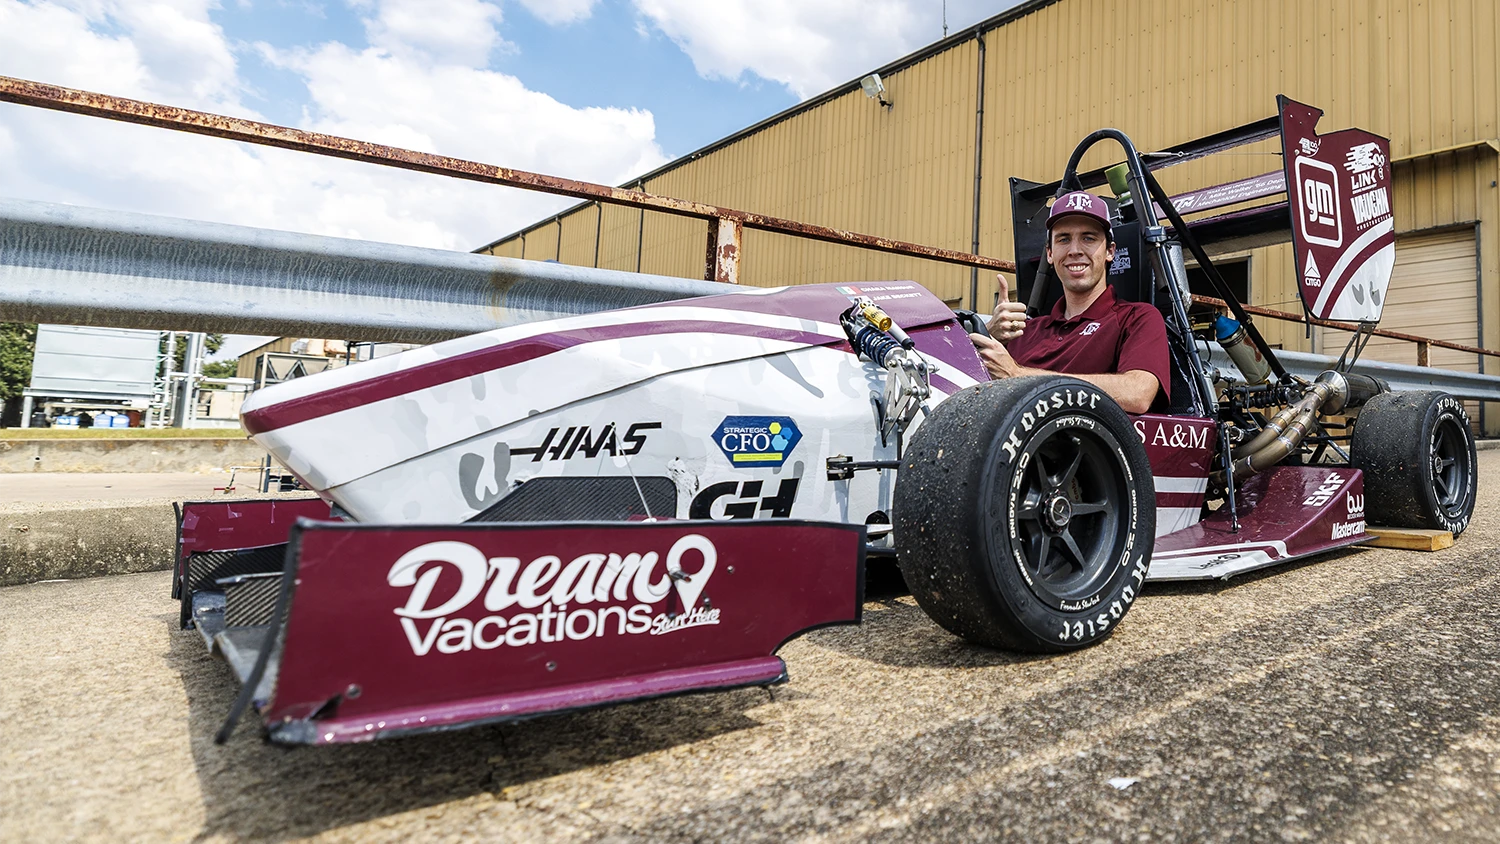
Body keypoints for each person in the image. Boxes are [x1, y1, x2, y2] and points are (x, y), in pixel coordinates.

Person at [969, 190, 1170, 414]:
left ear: (1110, 251)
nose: (1075, 250)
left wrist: (1017, 375)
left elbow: (1137, 394)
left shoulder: (1136, 318)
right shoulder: (1024, 332)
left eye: (1088, 238)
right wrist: (987, 336)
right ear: (1050, 253)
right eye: (1064, 239)